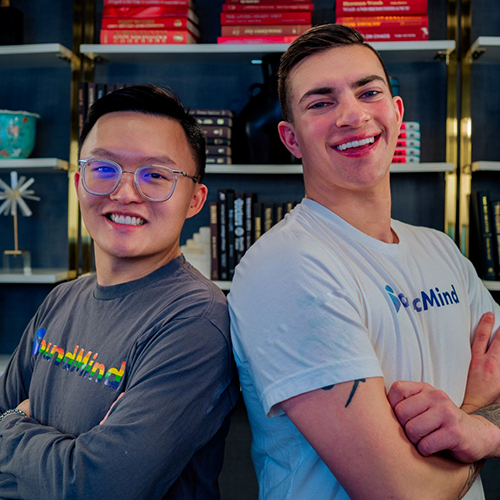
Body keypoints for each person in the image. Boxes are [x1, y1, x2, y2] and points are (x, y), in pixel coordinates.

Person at [228, 24, 500, 500]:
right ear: (291, 140)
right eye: (321, 102)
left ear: (395, 112)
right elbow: (399, 492)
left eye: (368, 92)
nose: (352, 115)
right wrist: (478, 415)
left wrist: (478, 428)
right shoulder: (285, 266)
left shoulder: (442, 251)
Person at [0, 84, 239, 499]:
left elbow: (96, 487)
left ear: (195, 199)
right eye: (104, 168)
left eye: (156, 175)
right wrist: (61, 452)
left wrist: (11, 428)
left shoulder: (196, 320)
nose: (126, 193)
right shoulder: (62, 299)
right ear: (79, 182)